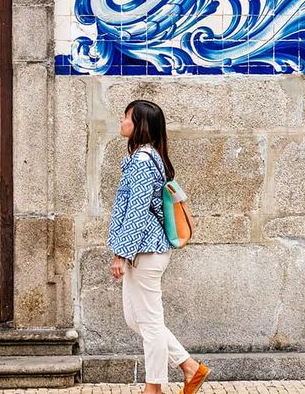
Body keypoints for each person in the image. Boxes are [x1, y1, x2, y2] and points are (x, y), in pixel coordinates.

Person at [108, 99, 210, 394]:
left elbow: (137, 211)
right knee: (135, 318)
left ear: (139, 124)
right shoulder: (146, 157)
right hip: (145, 250)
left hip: (145, 251)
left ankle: (154, 388)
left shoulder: (142, 161)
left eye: (127, 117)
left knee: (150, 323)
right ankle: (190, 367)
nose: (122, 121)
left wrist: (121, 253)